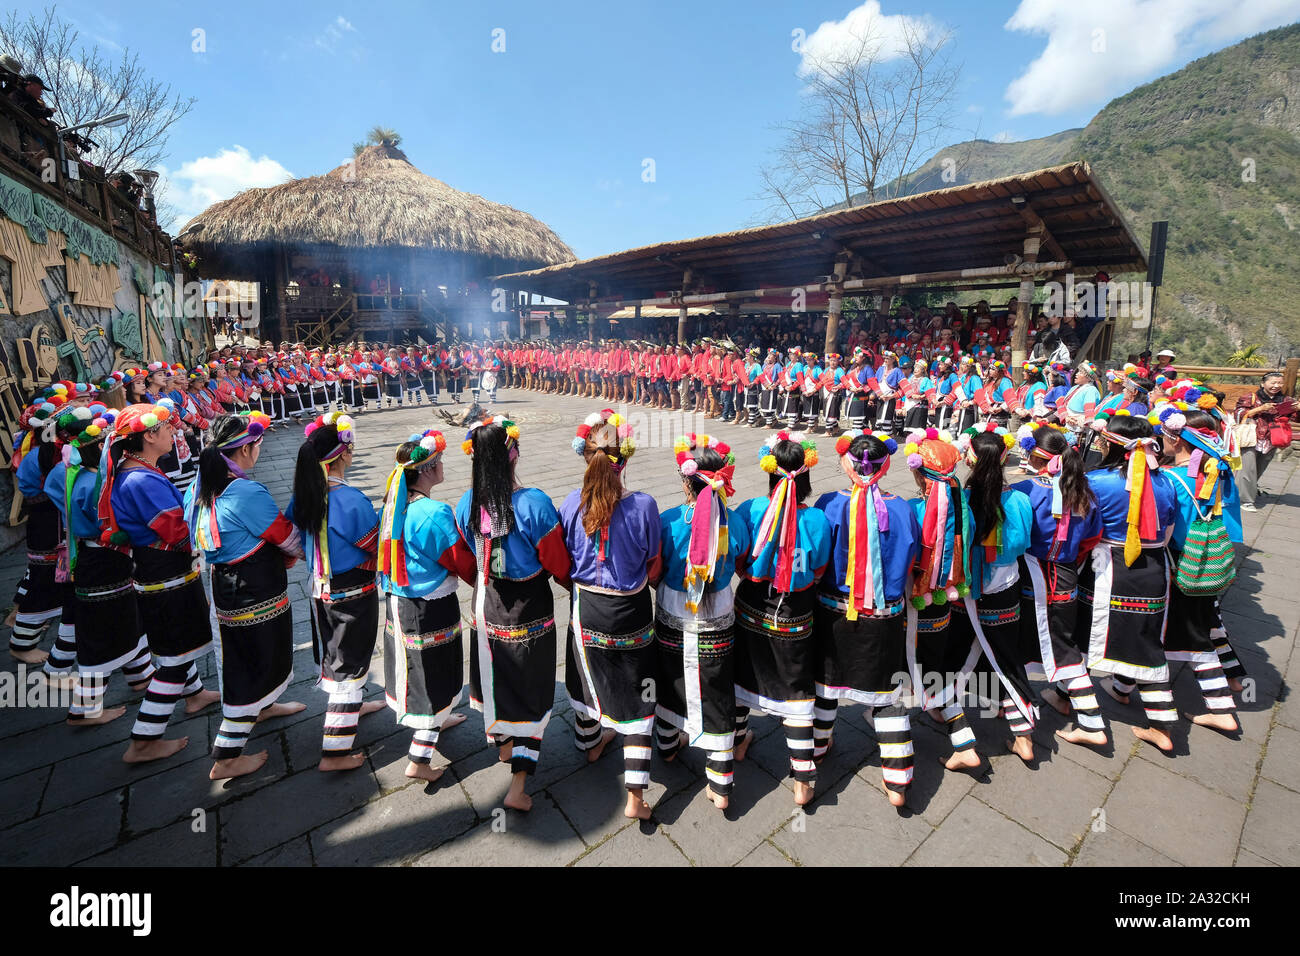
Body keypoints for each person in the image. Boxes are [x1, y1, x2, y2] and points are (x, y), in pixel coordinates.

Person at [455, 416, 571, 812]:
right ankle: (518, 786)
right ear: (513, 454)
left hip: (487, 604)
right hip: (529, 608)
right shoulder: (533, 503)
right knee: (530, 689)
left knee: (497, 679)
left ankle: (503, 745)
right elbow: (557, 560)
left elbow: (471, 555)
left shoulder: (465, 503)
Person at [183, 412, 307, 780]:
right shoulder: (245, 492)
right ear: (245, 450)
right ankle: (226, 755)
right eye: (257, 445)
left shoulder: (200, 486)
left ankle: (264, 706)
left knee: (255, 654)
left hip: (225, 582)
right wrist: (299, 554)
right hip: (251, 588)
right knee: (249, 663)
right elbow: (285, 535)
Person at [100, 403, 223, 762]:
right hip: (164, 572)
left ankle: (195, 694)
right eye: (168, 428)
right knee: (173, 655)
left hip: (161, 569)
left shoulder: (138, 470)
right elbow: (175, 528)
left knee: (177, 645)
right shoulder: (141, 479)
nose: (175, 433)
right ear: (149, 435)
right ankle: (144, 739)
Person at [560, 410, 661, 820]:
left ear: (585, 457)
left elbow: (562, 561)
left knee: (586, 678)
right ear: (625, 458)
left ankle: (591, 744)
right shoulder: (644, 506)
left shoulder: (569, 504)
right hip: (632, 609)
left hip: (587, 607)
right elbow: (654, 564)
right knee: (638, 691)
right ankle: (635, 796)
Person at [811, 430, 919, 806]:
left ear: (846, 463)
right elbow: (913, 559)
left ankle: (818, 749)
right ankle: (898, 779)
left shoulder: (828, 504)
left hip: (834, 611)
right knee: (887, 691)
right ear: (886, 466)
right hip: (885, 615)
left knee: (826, 684)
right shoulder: (903, 509)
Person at [733, 432, 831, 806]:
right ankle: (803, 777)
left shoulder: (750, 510)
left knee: (742, 675)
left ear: (771, 474)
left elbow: (741, 561)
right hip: (796, 613)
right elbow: (820, 568)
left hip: (751, 607)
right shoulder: (818, 520)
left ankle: (739, 741)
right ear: (805, 479)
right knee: (796, 690)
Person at [287, 412, 389, 772]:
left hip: (321, 586)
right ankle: (335, 750)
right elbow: (375, 546)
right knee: (350, 660)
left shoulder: (305, 494)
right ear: (343, 454)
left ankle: (353, 706)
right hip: (352, 590)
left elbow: (292, 536)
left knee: (335, 652)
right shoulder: (350, 500)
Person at [653, 435, 749, 811]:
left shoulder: (667, 520)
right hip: (718, 614)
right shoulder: (736, 521)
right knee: (716, 685)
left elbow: (654, 570)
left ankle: (667, 744)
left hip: (673, 611)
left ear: (685, 480)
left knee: (670, 676)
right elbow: (742, 562)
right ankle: (721, 781)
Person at [376, 429, 475, 782]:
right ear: (429, 469)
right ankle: (419, 760)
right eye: (440, 462)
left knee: (421, 669)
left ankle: (440, 717)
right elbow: (460, 561)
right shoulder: (434, 513)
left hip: (400, 602)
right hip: (427, 607)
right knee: (431, 675)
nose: (443, 466)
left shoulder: (395, 505)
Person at [1078, 415, 1179, 752]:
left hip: (1110, 568)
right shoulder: (1166, 482)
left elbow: (1084, 530)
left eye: (1105, 441)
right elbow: (1166, 534)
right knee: (1146, 640)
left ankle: (1072, 701)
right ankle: (1128, 694)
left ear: (1113, 445)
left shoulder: (1095, 481)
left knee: (1082, 635)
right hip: (1154, 569)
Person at [47, 407, 151, 728]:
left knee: (126, 619)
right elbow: (105, 524)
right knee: (103, 633)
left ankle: (141, 675)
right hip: (102, 561)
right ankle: (84, 710)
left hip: (97, 560)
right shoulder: (92, 484)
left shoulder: (74, 475)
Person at [1009, 425, 1106, 745]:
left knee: (1014, 646)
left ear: (1034, 455)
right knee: (1064, 644)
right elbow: (1091, 539)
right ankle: (1027, 703)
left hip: (1030, 578)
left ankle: (1091, 724)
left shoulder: (1025, 490)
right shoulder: (1084, 492)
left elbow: (1015, 536)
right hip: (1067, 576)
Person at [953, 425, 1038, 762]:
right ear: (1006, 458)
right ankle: (1024, 736)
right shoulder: (1019, 500)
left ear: (969, 459)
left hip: (966, 590)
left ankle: (949, 718)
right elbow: (1023, 543)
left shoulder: (960, 499)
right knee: (1006, 657)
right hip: (1005, 589)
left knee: (953, 655)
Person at [901, 428, 984, 774]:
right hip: (946, 601)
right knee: (934, 668)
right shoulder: (965, 512)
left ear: (919, 472)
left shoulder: (912, 511)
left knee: (903, 669)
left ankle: (896, 745)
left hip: (915, 605)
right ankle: (962, 741)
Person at [9, 398, 68, 665]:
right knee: (41, 586)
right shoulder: (42, 456)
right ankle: (21, 644)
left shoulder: (44, 453)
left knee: (53, 584)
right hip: (47, 527)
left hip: (49, 523)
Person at [1234, 371, 1294, 512]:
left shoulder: (1286, 400)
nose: (1276, 385)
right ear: (1263, 383)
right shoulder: (1251, 397)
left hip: (1272, 438)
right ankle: (1245, 500)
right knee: (1247, 469)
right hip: (1251, 437)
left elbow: (1295, 418)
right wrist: (1260, 409)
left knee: (1259, 468)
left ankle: (1245, 491)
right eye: (1273, 382)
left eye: (1279, 383)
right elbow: (1238, 414)